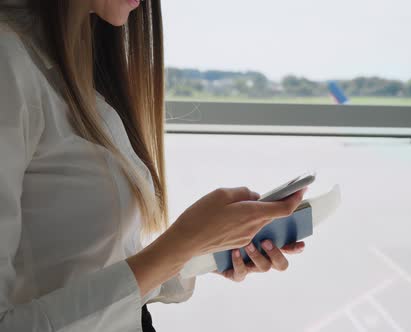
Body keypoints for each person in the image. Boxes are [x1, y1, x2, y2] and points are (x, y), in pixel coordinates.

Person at [0, 0, 307, 331]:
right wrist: (181, 244)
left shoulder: (73, 67)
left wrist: (205, 248)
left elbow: (92, 268)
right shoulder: (10, 64)